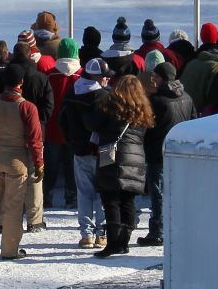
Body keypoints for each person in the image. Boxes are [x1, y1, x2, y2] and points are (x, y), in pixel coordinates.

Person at [0, 67, 42, 260]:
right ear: (21, 83)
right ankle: (9, 250)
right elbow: (35, 140)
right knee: (13, 207)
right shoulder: (28, 107)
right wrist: (39, 163)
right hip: (17, 163)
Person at [92, 74, 152, 258]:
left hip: (113, 155)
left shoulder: (110, 106)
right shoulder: (143, 110)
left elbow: (94, 124)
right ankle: (124, 241)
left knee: (111, 199)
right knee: (128, 199)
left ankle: (113, 243)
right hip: (136, 158)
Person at [137, 61, 193, 245]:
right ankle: (177, 228)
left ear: (163, 78)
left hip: (157, 153)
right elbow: (194, 121)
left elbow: (147, 126)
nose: (153, 79)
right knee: (178, 193)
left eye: (156, 76)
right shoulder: (187, 97)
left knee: (159, 194)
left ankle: (157, 232)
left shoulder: (156, 100)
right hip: (180, 153)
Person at [57, 57, 108, 249]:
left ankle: (86, 234)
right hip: (100, 151)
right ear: (96, 76)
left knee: (84, 193)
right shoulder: (103, 97)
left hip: (79, 150)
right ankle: (101, 234)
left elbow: (62, 120)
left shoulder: (72, 92)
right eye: (104, 76)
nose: (107, 80)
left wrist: (71, 140)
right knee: (102, 192)